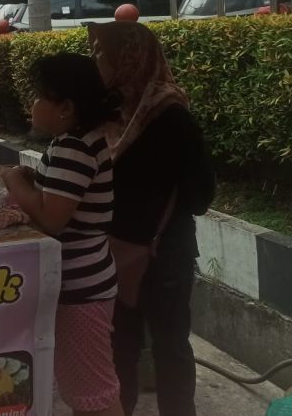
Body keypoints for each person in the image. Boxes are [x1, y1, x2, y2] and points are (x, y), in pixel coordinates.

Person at [89, 22, 215, 416]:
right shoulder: (108, 112)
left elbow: (200, 196)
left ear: (128, 58)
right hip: (117, 253)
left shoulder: (170, 115)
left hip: (164, 256)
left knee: (169, 346)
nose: (96, 60)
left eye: (100, 52)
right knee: (120, 347)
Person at [0, 53, 123, 416]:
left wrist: (13, 180)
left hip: (81, 288)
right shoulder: (77, 141)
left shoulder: (76, 147)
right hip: (84, 281)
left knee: (93, 393)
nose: (32, 104)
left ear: (66, 106)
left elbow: (52, 219)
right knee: (83, 387)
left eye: (39, 96)